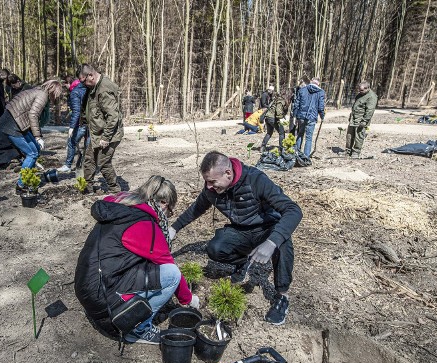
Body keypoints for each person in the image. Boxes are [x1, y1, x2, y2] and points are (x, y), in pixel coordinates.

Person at [169, 151, 302, 325]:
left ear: (228, 173)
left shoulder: (256, 180)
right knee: (215, 248)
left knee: (282, 243)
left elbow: (293, 210)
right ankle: (243, 262)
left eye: (212, 181)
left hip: (267, 228)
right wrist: (173, 229)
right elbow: (197, 208)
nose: (208, 186)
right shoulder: (212, 189)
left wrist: (270, 243)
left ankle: (282, 296)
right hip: (241, 230)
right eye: (206, 181)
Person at [75, 175, 199, 344]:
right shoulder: (143, 224)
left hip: (89, 286)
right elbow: (168, 263)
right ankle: (138, 329)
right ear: (163, 203)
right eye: (169, 211)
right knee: (172, 275)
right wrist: (188, 299)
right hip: (103, 298)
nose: (167, 216)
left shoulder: (122, 206)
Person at [0, 80, 63, 192]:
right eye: (56, 94)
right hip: (12, 124)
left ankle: (29, 178)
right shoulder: (42, 95)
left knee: (36, 149)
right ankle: (21, 185)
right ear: (53, 91)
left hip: (17, 123)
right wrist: (38, 137)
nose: (55, 98)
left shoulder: (38, 90)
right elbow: (33, 115)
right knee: (32, 153)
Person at [78, 63, 123, 194]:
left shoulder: (103, 89)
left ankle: (115, 190)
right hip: (96, 132)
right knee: (89, 159)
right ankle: (88, 188)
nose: (83, 84)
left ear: (90, 76)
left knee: (103, 162)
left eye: (83, 81)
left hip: (109, 134)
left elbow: (113, 116)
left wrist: (106, 137)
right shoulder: (93, 87)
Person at [57, 74, 88, 173]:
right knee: (88, 145)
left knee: (71, 142)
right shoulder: (85, 87)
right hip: (91, 122)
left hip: (81, 123)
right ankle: (87, 167)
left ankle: (68, 165)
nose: (65, 88)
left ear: (68, 83)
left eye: (65, 85)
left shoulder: (75, 91)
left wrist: (71, 127)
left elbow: (77, 111)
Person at [293, 77, 325, 157]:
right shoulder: (321, 92)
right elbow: (321, 107)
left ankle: (296, 153)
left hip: (301, 117)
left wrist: (295, 116)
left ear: (311, 81)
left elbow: (296, 104)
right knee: (309, 137)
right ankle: (306, 156)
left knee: (300, 134)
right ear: (318, 83)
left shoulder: (302, 90)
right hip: (312, 117)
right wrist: (322, 116)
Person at [346, 81, 378, 158]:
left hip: (361, 120)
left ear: (367, 88)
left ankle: (356, 152)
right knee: (349, 135)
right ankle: (347, 151)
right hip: (353, 119)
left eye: (362, 90)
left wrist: (364, 121)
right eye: (359, 90)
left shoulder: (372, 97)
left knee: (359, 136)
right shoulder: (360, 95)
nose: (360, 92)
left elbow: (370, 110)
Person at [260, 88, 290, 153]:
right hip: (273, 118)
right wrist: (281, 119)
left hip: (268, 117)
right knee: (281, 133)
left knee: (269, 133)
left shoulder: (275, 99)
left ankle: (262, 147)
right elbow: (278, 111)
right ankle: (281, 149)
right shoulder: (281, 100)